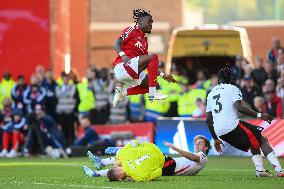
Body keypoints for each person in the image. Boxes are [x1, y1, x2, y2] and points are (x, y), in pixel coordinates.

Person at [206, 65, 284, 177]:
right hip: (232, 126)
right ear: (230, 79)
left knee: (254, 139)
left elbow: (209, 119)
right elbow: (239, 107)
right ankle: (279, 170)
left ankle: (260, 170)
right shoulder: (233, 88)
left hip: (219, 132)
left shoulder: (211, 93)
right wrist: (260, 115)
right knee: (262, 140)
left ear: (219, 79)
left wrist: (215, 138)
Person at [112, 9, 177, 107]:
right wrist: (123, 55)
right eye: (149, 22)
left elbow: (149, 65)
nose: (151, 24)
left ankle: (123, 93)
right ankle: (152, 93)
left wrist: (163, 75)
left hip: (133, 72)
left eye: (152, 22)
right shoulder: (131, 30)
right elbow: (116, 43)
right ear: (140, 22)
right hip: (123, 67)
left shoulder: (144, 42)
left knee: (156, 85)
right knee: (153, 57)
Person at [82, 135, 210, 180]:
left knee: (130, 162)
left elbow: (193, 157)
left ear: (206, 148)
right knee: (127, 165)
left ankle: (104, 162)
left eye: (200, 143)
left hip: (170, 166)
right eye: (196, 143)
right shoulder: (199, 157)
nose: (197, 145)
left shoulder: (202, 157)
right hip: (169, 164)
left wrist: (174, 147)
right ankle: (98, 170)